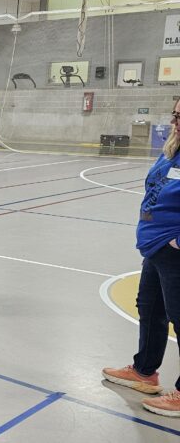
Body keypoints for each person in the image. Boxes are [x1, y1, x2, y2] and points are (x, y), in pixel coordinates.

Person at [103, 97, 180, 418]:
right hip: (155, 248)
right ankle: (144, 371)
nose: (175, 121)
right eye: (175, 114)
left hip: (173, 250)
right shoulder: (172, 150)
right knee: (150, 308)